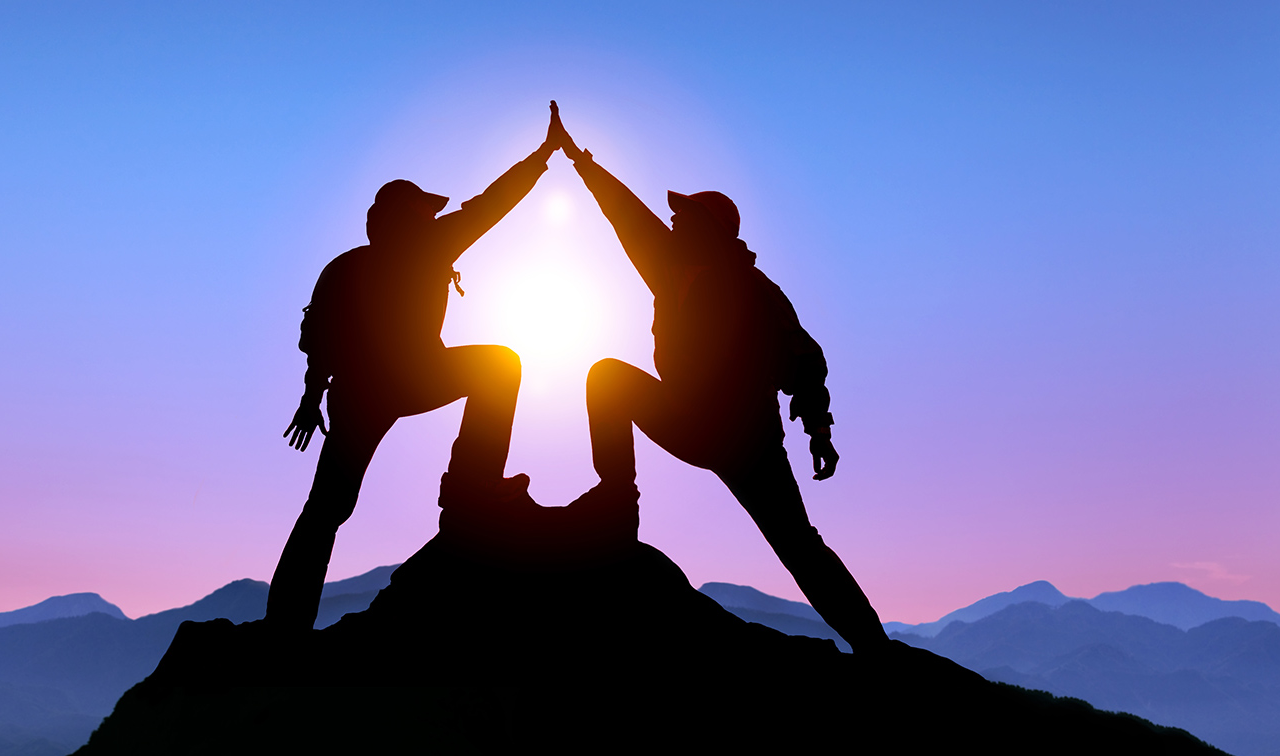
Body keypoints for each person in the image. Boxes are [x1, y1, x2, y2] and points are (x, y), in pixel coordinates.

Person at [550, 107, 889, 653]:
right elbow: (625, 214)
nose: (675, 223)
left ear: (712, 231)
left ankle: (875, 647)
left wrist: (818, 433)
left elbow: (804, 362)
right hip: (686, 417)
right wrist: (579, 159)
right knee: (607, 378)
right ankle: (617, 504)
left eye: (686, 218)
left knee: (798, 546)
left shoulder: (755, 292)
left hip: (747, 442)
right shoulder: (667, 266)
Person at [266, 106, 565, 629]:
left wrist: (312, 398)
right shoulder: (429, 246)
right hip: (409, 379)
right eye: (422, 211)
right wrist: (543, 156)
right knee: (500, 365)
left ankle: (284, 626)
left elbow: (319, 343)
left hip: (358, 393)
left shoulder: (343, 266)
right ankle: (472, 488)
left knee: (326, 509)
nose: (431, 217)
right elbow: (493, 205)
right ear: (405, 219)